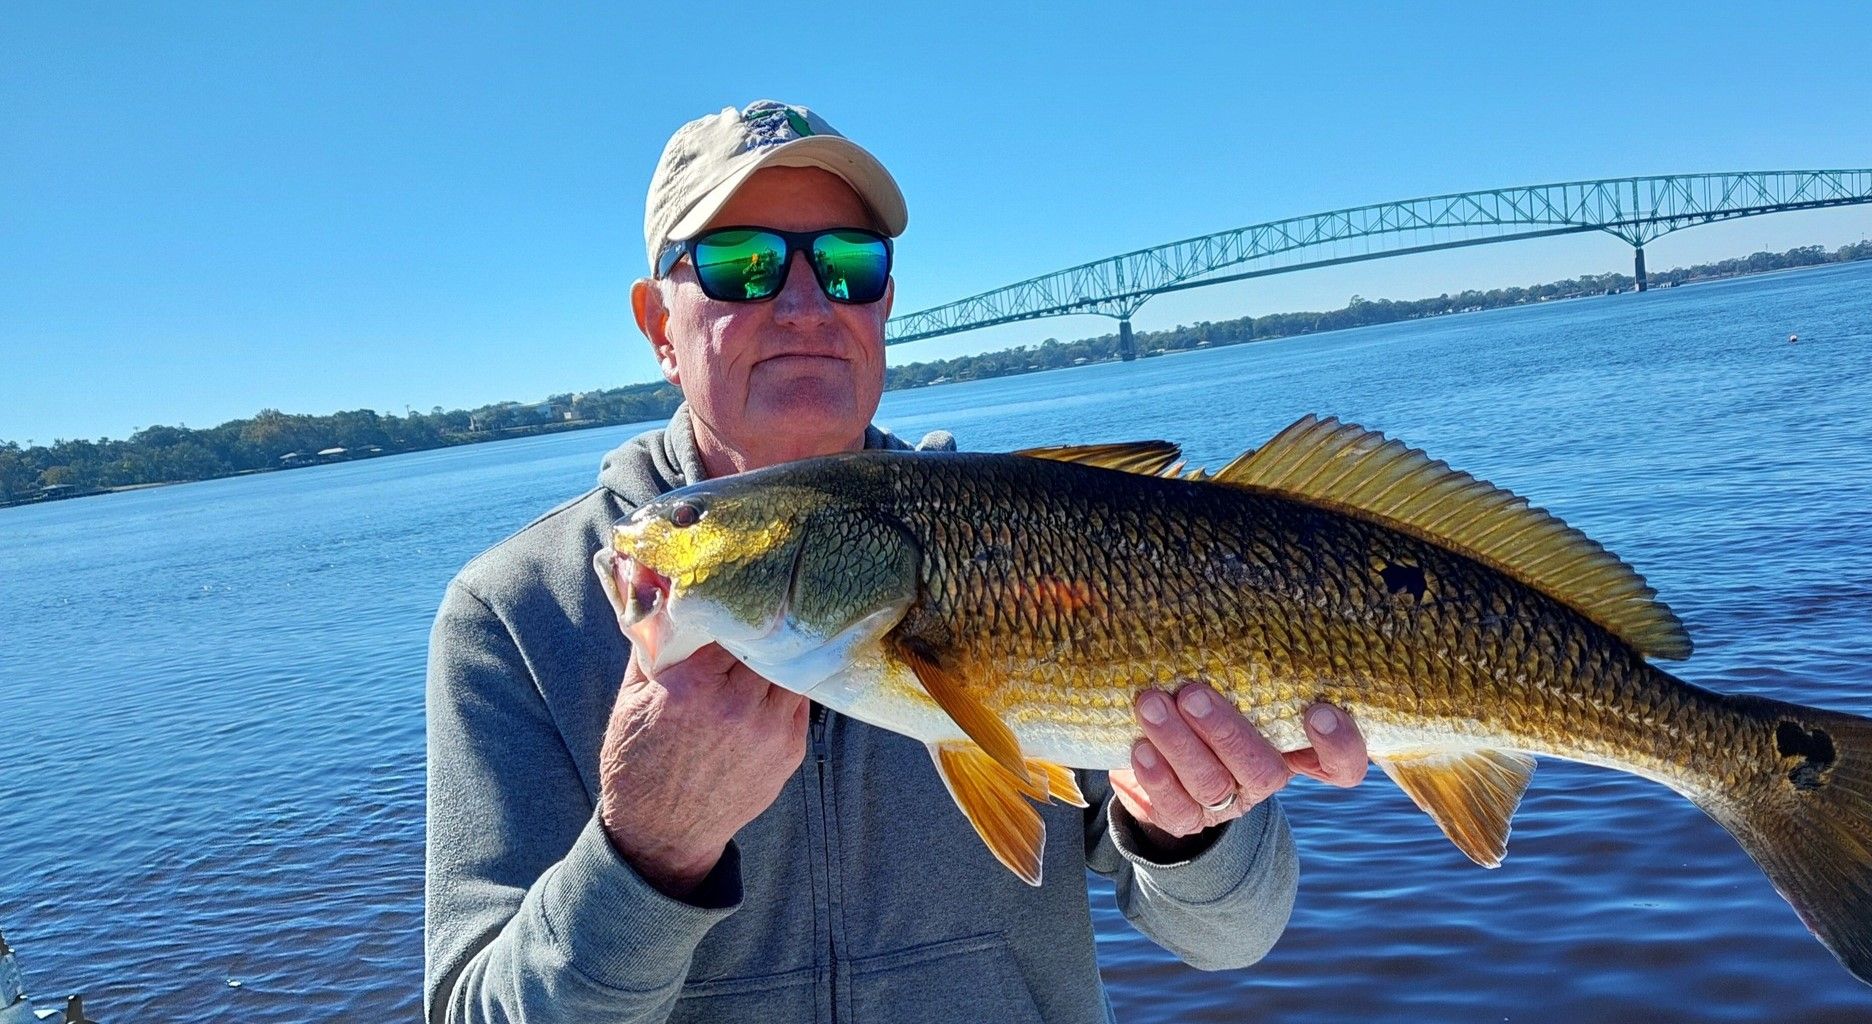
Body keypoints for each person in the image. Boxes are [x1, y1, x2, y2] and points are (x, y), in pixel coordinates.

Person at [423, 100, 1371, 1024]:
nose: (802, 301)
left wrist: (1190, 827)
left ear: (884, 304)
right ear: (657, 323)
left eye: (848, 263)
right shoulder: (512, 616)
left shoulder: (1041, 543)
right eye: (740, 264)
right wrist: (647, 851)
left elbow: (1234, 938)